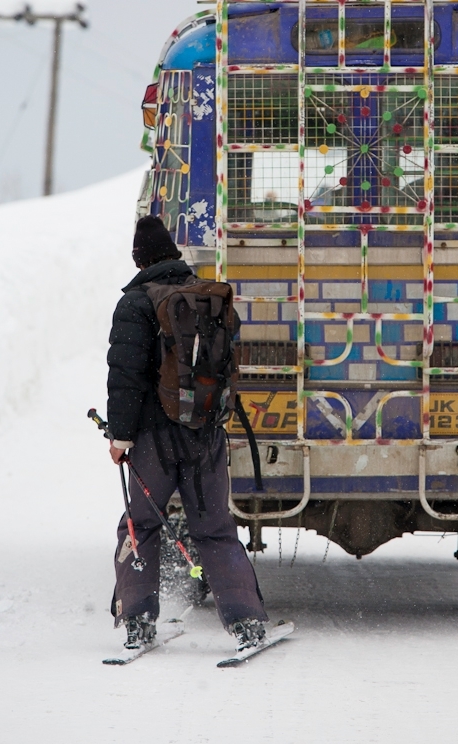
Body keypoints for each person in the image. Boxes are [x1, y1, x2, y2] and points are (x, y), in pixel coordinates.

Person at [106, 215, 268, 651]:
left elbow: (125, 376)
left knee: (141, 525)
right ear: (175, 254)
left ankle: (138, 623)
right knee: (214, 528)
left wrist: (120, 437)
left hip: (153, 440)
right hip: (205, 433)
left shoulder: (136, 304)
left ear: (140, 258)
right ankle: (247, 623)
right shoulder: (204, 297)